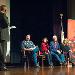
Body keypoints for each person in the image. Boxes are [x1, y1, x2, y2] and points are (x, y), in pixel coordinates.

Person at [0, 5, 9, 70]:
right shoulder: (2, 15)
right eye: (6, 9)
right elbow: (6, 23)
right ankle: (2, 66)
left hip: (2, 34)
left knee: (1, 51)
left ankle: (2, 65)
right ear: (4, 10)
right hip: (3, 35)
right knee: (3, 51)